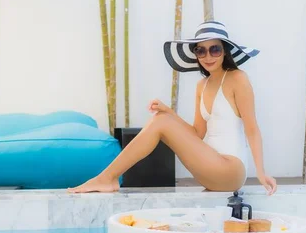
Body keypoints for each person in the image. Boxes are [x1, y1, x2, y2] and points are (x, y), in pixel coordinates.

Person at [68, 21, 277, 195]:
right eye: (201, 50)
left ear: (225, 51)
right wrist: (170, 113)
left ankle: (107, 178)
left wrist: (260, 172)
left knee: (161, 121)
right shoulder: (201, 86)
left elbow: (252, 129)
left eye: (215, 49)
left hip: (231, 170)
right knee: (161, 118)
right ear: (195, 54)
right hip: (210, 165)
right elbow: (197, 134)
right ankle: (107, 178)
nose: (208, 56)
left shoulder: (237, 79)